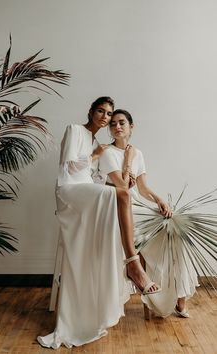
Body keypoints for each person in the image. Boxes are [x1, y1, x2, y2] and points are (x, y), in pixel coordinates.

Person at [37, 97, 161, 350]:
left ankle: (129, 265)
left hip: (85, 190)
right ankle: (133, 265)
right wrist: (95, 155)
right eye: (101, 111)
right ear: (91, 112)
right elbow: (69, 169)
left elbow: (93, 178)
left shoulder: (97, 142)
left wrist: (113, 171)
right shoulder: (75, 130)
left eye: (109, 113)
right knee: (121, 194)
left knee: (121, 195)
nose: (105, 117)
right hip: (68, 191)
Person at [99, 109, 198, 318]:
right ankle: (154, 293)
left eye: (122, 123)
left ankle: (180, 299)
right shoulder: (107, 153)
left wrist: (160, 200)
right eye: (113, 124)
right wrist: (128, 157)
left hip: (138, 207)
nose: (117, 127)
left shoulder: (139, 153)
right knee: (162, 239)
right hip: (118, 209)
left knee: (176, 235)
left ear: (131, 126)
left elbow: (142, 189)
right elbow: (124, 188)